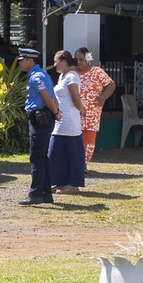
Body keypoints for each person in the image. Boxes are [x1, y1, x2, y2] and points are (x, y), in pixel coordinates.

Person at [17, 47, 59, 205]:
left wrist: (55, 113)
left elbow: (47, 98)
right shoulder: (42, 74)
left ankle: (35, 195)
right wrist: (56, 112)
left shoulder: (37, 77)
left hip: (40, 118)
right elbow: (52, 96)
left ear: (30, 60)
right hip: (43, 117)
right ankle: (46, 194)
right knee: (42, 157)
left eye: (22, 60)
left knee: (36, 157)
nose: (20, 63)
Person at [47, 50, 85, 195]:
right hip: (60, 121)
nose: (54, 64)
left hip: (69, 122)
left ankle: (73, 184)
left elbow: (76, 99)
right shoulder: (62, 76)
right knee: (57, 153)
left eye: (57, 61)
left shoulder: (71, 76)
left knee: (72, 152)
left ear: (64, 61)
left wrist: (82, 110)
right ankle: (60, 181)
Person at [72, 47, 115, 164]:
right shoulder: (71, 72)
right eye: (76, 59)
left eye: (81, 59)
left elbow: (111, 85)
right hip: (74, 112)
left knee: (88, 140)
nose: (79, 62)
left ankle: (83, 163)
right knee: (74, 139)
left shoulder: (97, 72)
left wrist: (103, 96)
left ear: (88, 59)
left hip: (91, 114)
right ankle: (74, 163)